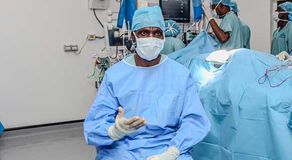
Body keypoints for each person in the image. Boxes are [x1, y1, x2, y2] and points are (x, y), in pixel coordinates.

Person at [83, 6, 210, 160]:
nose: (151, 38)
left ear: (163, 37)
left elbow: (194, 120)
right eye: (144, 32)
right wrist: (114, 131)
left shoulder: (180, 75)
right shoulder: (115, 76)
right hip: (123, 147)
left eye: (157, 33)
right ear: (133, 37)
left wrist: (173, 151)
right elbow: (95, 122)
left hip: (168, 146)